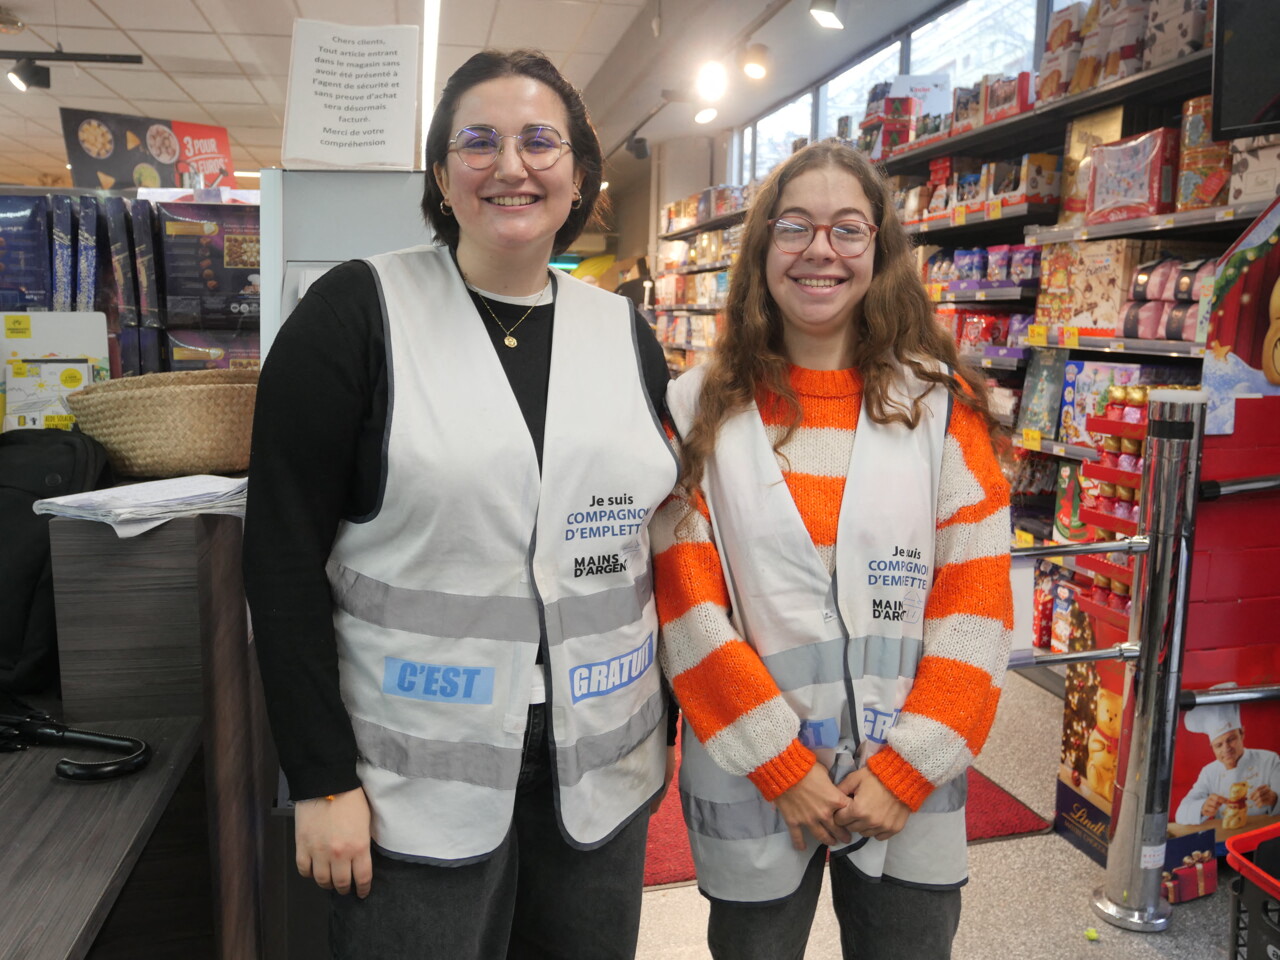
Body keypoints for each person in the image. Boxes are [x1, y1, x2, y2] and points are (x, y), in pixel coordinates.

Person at [243, 49, 678, 959]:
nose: (510, 165)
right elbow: (280, 559)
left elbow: (653, 539)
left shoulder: (624, 332)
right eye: (476, 142)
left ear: (578, 174)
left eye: (539, 141)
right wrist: (321, 782)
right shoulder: (356, 314)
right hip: (409, 782)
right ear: (442, 176)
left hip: (598, 770)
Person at [653, 139, 1013, 960]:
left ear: (879, 251)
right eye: (794, 227)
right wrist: (784, 769)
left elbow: (978, 605)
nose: (821, 250)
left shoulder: (938, 407)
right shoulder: (694, 410)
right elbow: (689, 612)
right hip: (756, 784)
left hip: (908, 787)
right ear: (762, 251)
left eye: (849, 229)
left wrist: (909, 766)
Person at [1174, 689, 1280, 826]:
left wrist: (1275, 799)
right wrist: (1202, 807)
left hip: (1264, 835)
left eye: (1231, 739)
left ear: (1242, 734)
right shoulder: (1209, 772)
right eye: (1218, 745)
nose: (1226, 749)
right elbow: (1180, 814)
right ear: (1212, 747)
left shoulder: (1269, 760)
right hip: (1226, 838)